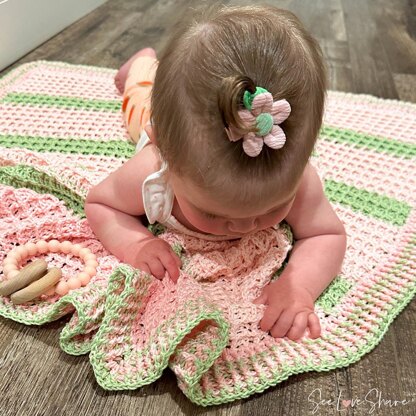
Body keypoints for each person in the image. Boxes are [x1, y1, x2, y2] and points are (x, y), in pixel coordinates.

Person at [85, 4, 347, 341]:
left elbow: (327, 235)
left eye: (271, 208)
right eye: (211, 211)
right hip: (153, 117)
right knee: (139, 98)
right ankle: (141, 63)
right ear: (166, 153)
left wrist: (300, 286)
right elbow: (101, 204)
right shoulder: (152, 173)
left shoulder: (296, 179)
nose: (245, 226)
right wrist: (135, 245)